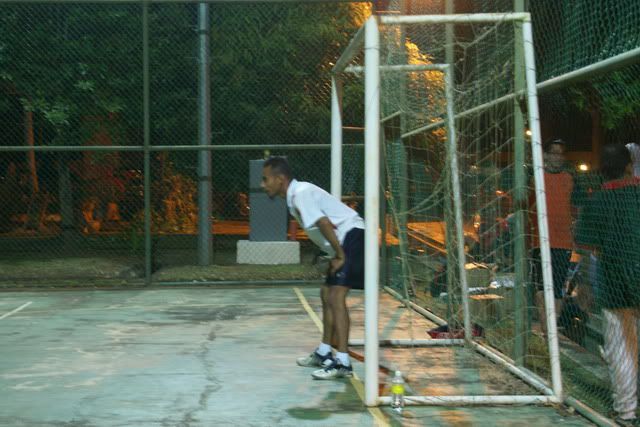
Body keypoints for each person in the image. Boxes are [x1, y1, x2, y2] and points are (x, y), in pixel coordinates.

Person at [260, 156, 365, 380]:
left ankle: (343, 363)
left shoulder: (301, 194)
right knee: (326, 292)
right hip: (345, 239)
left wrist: (339, 255)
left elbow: (324, 223)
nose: (262, 184)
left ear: (280, 179)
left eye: (265, 179)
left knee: (336, 296)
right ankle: (324, 352)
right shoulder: (294, 196)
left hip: (353, 235)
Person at [576, 144, 640, 427]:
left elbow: (588, 246)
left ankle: (626, 411)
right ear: (629, 165)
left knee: (622, 348)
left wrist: (585, 284)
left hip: (613, 280)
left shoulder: (598, 200)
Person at [530, 138, 576, 336]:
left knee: (557, 286)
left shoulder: (569, 179)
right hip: (540, 241)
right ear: (546, 155)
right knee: (542, 285)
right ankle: (545, 328)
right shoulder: (536, 178)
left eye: (560, 153)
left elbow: (574, 208)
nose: (558, 157)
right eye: (554, 153)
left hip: (563, 241)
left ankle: (552, 329)